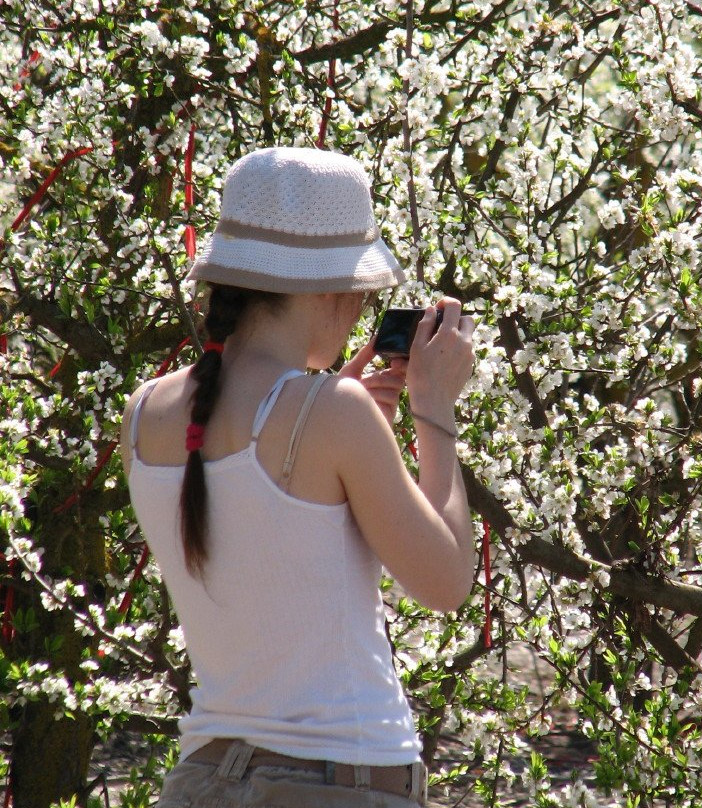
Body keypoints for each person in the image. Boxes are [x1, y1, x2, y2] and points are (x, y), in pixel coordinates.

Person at [120, 146, 476, 808]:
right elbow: (447, 582)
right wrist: (434, 410)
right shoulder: (331, 413)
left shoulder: (144, 413)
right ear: (335, 289)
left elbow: (263, 534)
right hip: (340, 778)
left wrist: (333, 419)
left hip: (200, 779)